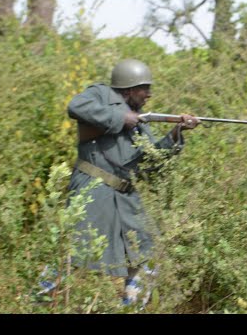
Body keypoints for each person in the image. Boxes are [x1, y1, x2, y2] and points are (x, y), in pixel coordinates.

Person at [62, 59, 200, 306]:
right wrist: (119, 117)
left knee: (146, 256)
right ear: (128, 89)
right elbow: (76, 106)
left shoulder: (139, 122)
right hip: (93, 194)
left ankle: (131, 308)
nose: (149, 94)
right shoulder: (100, 94)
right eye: (144, 88)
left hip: (126, 199)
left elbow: (149, 161)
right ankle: (37, 304)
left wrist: (176, 134)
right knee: (71, 258)